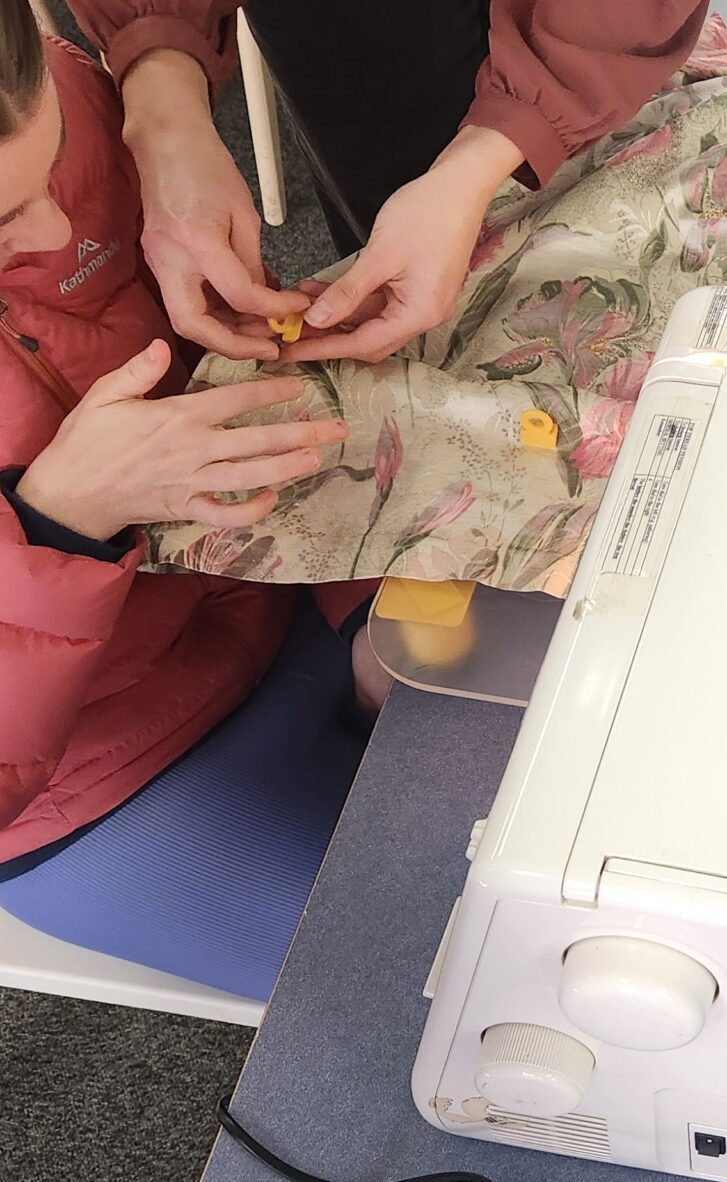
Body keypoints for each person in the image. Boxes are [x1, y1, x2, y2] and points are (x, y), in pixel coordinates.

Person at [0, 1, 384, 1001]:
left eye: (50, 166)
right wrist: (56, 524)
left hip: (281, 575)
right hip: (100, 781)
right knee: (438, 988)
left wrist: (159, 110)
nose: (52, 230)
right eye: (1, 226)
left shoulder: (56, 85)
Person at [70, 0, 710, 364]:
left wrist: (483, 159)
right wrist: (163, 114)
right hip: (337, 39)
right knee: (396, 273)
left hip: (566, 37)